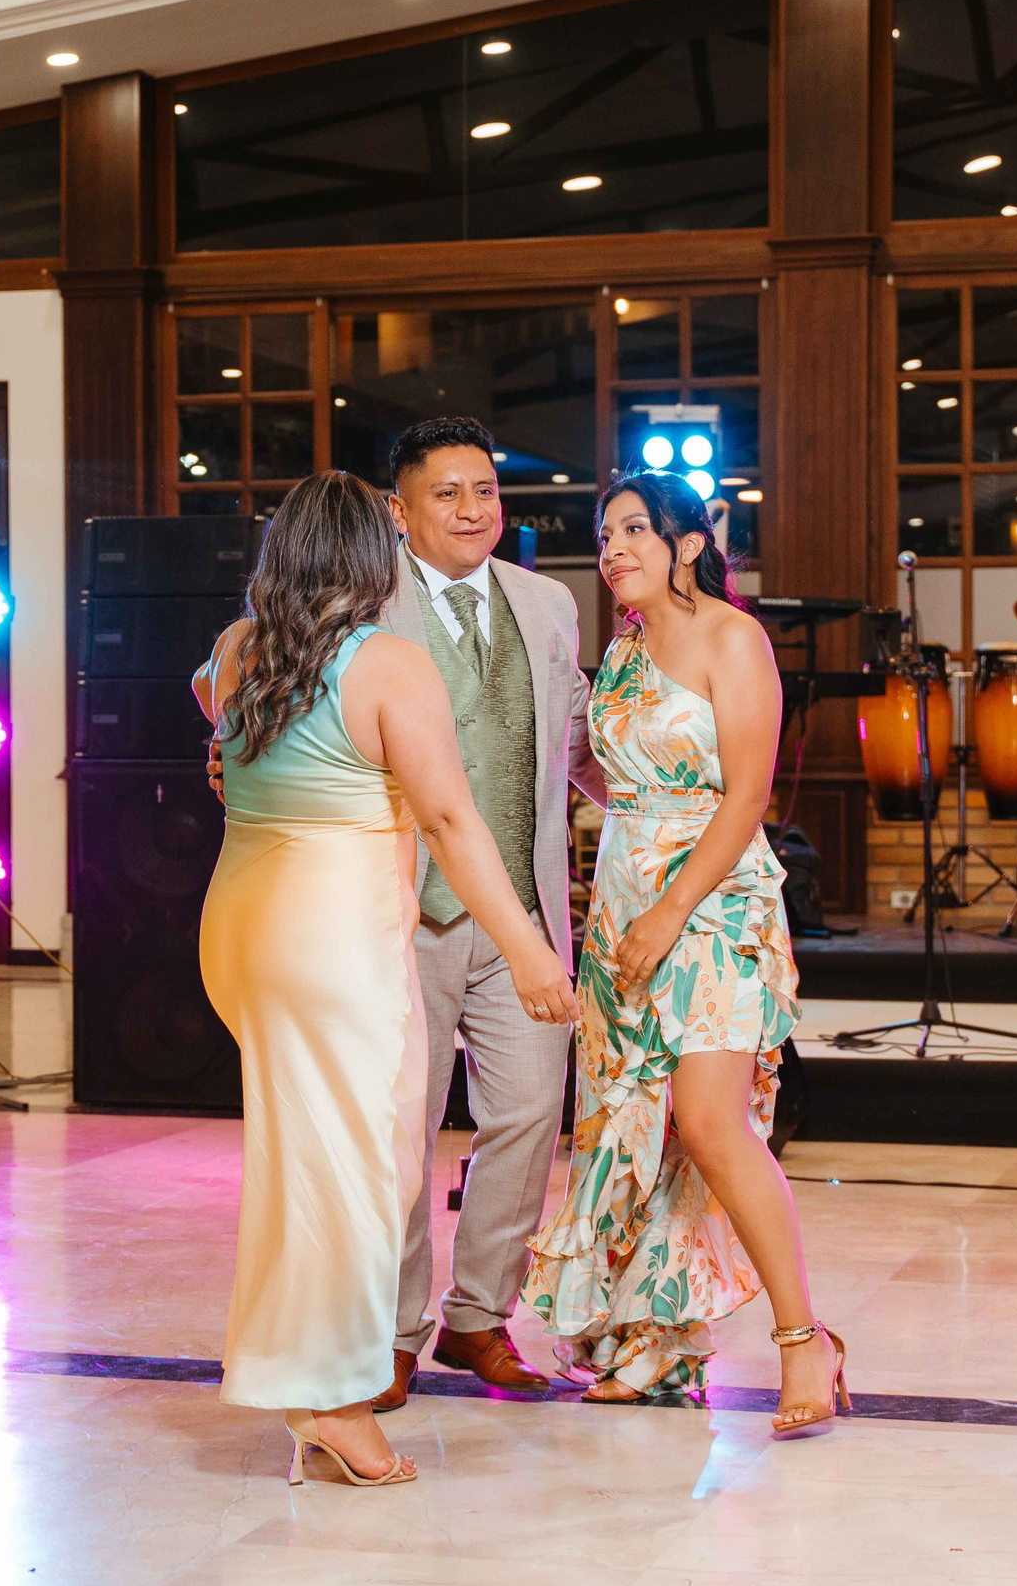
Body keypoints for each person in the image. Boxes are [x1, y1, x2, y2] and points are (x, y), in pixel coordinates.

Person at [195, 470, 578, 1488]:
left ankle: (313, 1377)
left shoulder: (244, 649)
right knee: (358, 1172)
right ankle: (329, 1401)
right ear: (373, 555)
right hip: (332, 934)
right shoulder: (389, 662)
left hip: (243, 918)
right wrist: (531, 951)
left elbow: (210, 707)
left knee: (311, 1158)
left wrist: (234, 759)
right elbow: (453, 822)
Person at [523, 472, 847, 1437]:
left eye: (634, 530)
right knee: (631, 1126)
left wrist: (667, 910)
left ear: (690, 544)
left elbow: (747, 795)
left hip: (712, 905)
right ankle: (653, 1348)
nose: (614, 547)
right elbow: (604, 771)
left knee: (709, 1122)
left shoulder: (732, 639)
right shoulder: (621, 651)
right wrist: (579, 774)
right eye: (605, 531)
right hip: (623, 901)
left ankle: (804, 1340)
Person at [370, 415, 604, 1411]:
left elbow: (579, 737)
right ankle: (389, 1332)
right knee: (403, 1131)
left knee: (525, 1117)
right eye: (447, 495)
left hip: (525, 915)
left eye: (485, 493)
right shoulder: (359, 599)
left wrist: (665, 803)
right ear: (399, 511)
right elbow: (239, 666)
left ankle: (477, 1319)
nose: (472, 512)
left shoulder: (548, 603)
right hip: (403, 915)